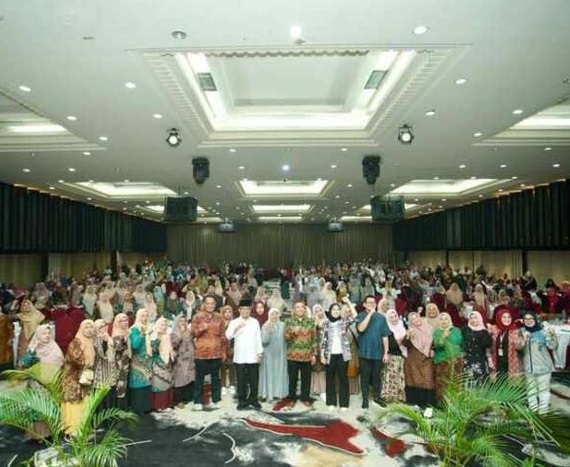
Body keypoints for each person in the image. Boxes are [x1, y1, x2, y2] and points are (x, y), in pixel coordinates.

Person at [19, 324, 64, 440]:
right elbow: (24, 364)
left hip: (52, 383)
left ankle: (53, 431)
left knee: (52, 406)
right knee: (39, 408)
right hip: (37, 385)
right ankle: (39, 434)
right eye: (44, 333)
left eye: (49, 333)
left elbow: (61, 363)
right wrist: (32, 350)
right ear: (38, 335)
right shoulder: (33, 348)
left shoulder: (54, 346)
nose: (47, 336)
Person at [225, 299, 263, 410]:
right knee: (241, 380)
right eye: (243, 309)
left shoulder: (255, 321)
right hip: (240, 356)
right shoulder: (234, 322)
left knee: (254, 380)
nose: (246, 311)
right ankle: (242, 401)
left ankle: (254, 399)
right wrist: (236, 328)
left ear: (251, 310)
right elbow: (228, 336)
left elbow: (258, 338)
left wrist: (259, 353)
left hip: (253, 356)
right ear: (239, 310)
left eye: (248, 309)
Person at [517, 312, 558, 413]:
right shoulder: (522, 331)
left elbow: (553, 346)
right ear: (523, 321)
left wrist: (553, 335)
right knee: (531, 391)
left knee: (543, 391)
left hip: (543, 367)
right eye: (526, 319)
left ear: (535, 319)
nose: (528, 321)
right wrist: (524, 340)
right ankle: (533, 412)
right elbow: (518, 348)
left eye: (531, 318)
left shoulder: (543, 331)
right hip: (529, 368)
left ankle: (543, 412)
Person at [190, 295, 226, 410]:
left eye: (212, 303)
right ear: (204, 304)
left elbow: (223, 336)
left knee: (216, 378)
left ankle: (216, 400)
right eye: (208, 303)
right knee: (199, 378)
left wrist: (223, 352)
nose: (210, 305)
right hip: (201, 353)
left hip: (216, 352)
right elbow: (192, 333)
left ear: (215, 305)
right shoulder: (197, 317)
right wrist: (201, 328)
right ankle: (198, 401)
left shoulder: (220, 317)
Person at [320, 298, 356, 411]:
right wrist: (322, 355)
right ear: (330, 311)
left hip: (342, 355)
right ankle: (331, 402)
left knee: (343, 379)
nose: (336, 311)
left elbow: (355, 315)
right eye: (334, 309)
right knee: (330, 378)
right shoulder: (326, 323)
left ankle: (344, 404)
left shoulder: (343, 321)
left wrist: (349, 302)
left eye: (337, 309)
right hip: (329, 355)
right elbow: (324, 340)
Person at [61, 320, 95, 435]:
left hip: (85, 377)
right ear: (81, 329)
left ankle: (82, 427)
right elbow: (76, 359)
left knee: (84, 402)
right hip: (74, 378)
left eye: (91, 327)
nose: (89, 330)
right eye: (86, 327)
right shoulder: (76, 342)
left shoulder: (90, 341)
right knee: (74, 402)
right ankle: (72, 429)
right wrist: (87, 365)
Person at [356, 295, 389, 409]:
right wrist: (370, 314)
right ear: (364, 304)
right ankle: (365, 399)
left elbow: (385, 336)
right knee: (365, 377)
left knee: (377, 377)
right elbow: (361, 329)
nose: (371, 304)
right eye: (369, 302)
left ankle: (377, 397)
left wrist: (386, 352)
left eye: (373, 302)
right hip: (364, 353)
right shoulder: (360, 316)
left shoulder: (381, 318)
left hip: (378, 353)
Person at [284, 301, 318, 406]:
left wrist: (314, 354)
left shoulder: (310, 322)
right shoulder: (288, 321)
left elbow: (314, 338)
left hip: (307, 356)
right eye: (297, 307)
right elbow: (286, 337)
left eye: (301, 307)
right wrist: (293, 332)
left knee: (306, 379)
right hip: (293, 355)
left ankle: (305, 398)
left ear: (304, 309)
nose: (299, 309)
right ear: (294, 309)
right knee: (292, 379)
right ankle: (292, 399)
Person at [402, 311, 435, 407]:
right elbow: (405, 344)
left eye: (416, 317)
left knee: (428, 382)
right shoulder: (411, 330)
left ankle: (428, 406)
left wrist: (433, 350)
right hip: (413, 360)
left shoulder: (429, 328)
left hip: (427, 359)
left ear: (420, 317)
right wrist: (407, 336)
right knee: (415, 381)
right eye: (412, 319)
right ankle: (416, 404)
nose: (415, 320)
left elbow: (433, 343)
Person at [433, 312, 464, 402]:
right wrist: (443, 336)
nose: (444, 321)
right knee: (442, 384)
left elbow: (460, 343)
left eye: (446, 319)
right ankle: (443, 404)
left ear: (449, 320)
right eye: (441, 319)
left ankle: (456, 403)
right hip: (442, 361)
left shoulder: (456, 330)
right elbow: (438, 345)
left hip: (456, 361)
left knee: (456, 383)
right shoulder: (437, 332)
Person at [259, 308, 288, 401]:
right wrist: (267, 331)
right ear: (269, 315)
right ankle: (269, 394)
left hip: (281, 354)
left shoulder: (284, 325)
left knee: (280, 373)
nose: (274, 316)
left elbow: (287, 338)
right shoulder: (265, 325)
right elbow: (264, 341)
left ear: (279, 315)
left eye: (276, 314)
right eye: (272, 314)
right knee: (270, 374)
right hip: (269, 355)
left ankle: (279, 394)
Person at [128, 309, 152, 413]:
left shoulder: (150, 328)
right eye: (142, 316)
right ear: (138, 317)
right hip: (138, 360)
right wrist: (141, 335)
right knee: (138, 383)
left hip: (147, 360)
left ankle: (146, 407)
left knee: (147, 382)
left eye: (146, 316)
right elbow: (135, 345)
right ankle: (138, 408)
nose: (145, 318)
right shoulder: (134, 329)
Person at [381, 309, 407, 403]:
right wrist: (401, 340)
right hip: (392, 356)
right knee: (391, 377)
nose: (394, 319)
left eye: (395, 316)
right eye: (391, 317)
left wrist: (401, 340)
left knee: (400, 377)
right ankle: (390, 397)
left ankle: (399, 397)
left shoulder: (402, 325)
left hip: (402, 356)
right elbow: (392, 344)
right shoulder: (387, 328)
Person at [150, 317, 174, 411]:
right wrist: (158, 338)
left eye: (165, 325)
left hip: (167, 362)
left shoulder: (167, 335)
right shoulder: (153, 335)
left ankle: (166, 405)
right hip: (157, 362)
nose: (163, 327)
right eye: (161, 325)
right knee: (158, 384)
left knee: (167, 383)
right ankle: (158, 406)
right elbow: (153, 350)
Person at [489, 309, 522, 379]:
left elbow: (520, 347)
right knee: (498, 383)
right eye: (504, 317)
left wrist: (523, 341)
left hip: (511, 362)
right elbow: (488, 344)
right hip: (497, 361)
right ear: (499, 317)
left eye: (509, 317)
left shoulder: (516, 330)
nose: (507, 319)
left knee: (511, 385)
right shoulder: (493, 329)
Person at [171, 315, 195, 408]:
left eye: (184, 321)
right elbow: (174, 344)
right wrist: (180, 333)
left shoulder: (188, 332)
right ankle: (178, 401)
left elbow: (192, 343)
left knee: (190, 378)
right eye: (181, 321)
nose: (183, 322)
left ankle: (187, 398)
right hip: (180, 360)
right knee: (180, 380)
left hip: (190, 359)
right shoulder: (174, 332)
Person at [462, 311, 492, 384]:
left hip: (480, 359)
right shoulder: (465, 329)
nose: (473, 320)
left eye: (475, 318)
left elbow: (487, 344)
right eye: (471, 318)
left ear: (480, 319)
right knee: (468, 381)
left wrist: (489, 334)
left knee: (480, 381)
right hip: (468, 359)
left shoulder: (484, 331)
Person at [92, 319, 116, 409]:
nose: (104, 328)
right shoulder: (96, 339)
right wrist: (105, 342)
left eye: (105, 325)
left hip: (109, 368)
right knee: (101, 392)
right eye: (101, 326)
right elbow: (102, 354)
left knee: (109, 391)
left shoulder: (108, 337)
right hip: (101, 369)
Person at [111, 313, 131, 409]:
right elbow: (118, 348)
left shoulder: (129, 331)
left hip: (128, 363)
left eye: (126, 320)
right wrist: (126, 338)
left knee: (127, 385)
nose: (125, 323)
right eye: (122, 321)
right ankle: (119, 409)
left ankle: (127, 406)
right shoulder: (116, 333)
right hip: (120, 365)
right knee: (120, 385)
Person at [16, 299, 45, 363]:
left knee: (35, 352)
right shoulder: (21, 316)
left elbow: (42, 324)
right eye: (24, 306)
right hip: (24, 338)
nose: (26, 307)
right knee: (23, 353)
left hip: (35, 336)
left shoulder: (38, 314)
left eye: (28, 305)